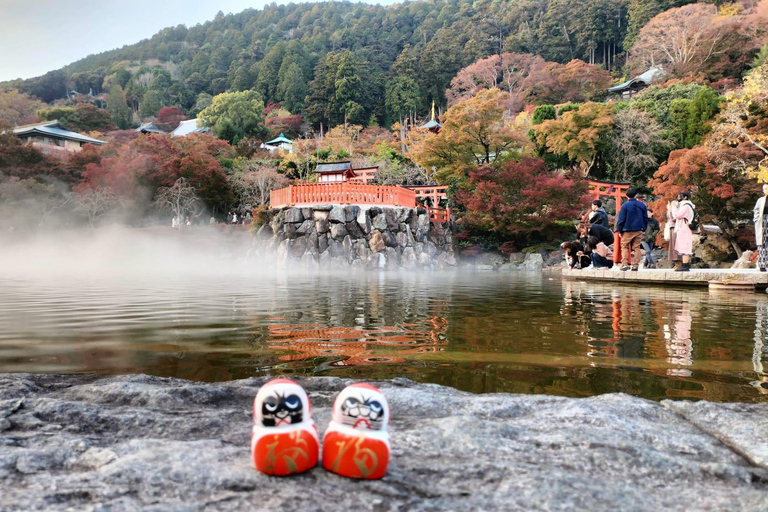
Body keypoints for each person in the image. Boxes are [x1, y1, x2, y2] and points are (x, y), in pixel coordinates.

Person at [616, 188, 648, 271]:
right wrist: (644, 228)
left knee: (625, 246)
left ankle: (625, 264)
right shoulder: (642, 205)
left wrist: (620, 230)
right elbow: (645, 218)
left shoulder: (625, 205)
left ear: (626, 195)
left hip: (627, 229)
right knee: (636, 247)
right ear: (636, 195)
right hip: (639, 229)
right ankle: (635, 265)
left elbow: (621, 219)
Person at [670, 191, 695, 272]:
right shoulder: (687, 205)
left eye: (680, 196)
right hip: (683, 227)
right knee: (683, 246)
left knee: (685, 247)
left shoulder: (686, 206)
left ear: (685, 197)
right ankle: (684, 265)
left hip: (684, 228)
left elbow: (676, 215)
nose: (678, 197)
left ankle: (685, 265)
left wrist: (673, 207)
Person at [755, 184, 768, 271]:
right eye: (763, 189)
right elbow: (756, 210)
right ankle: (762, 265)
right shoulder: (760, 200)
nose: (764, 190)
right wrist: (756, 219)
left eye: (766, 189)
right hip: (763, 222)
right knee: (762, 243)